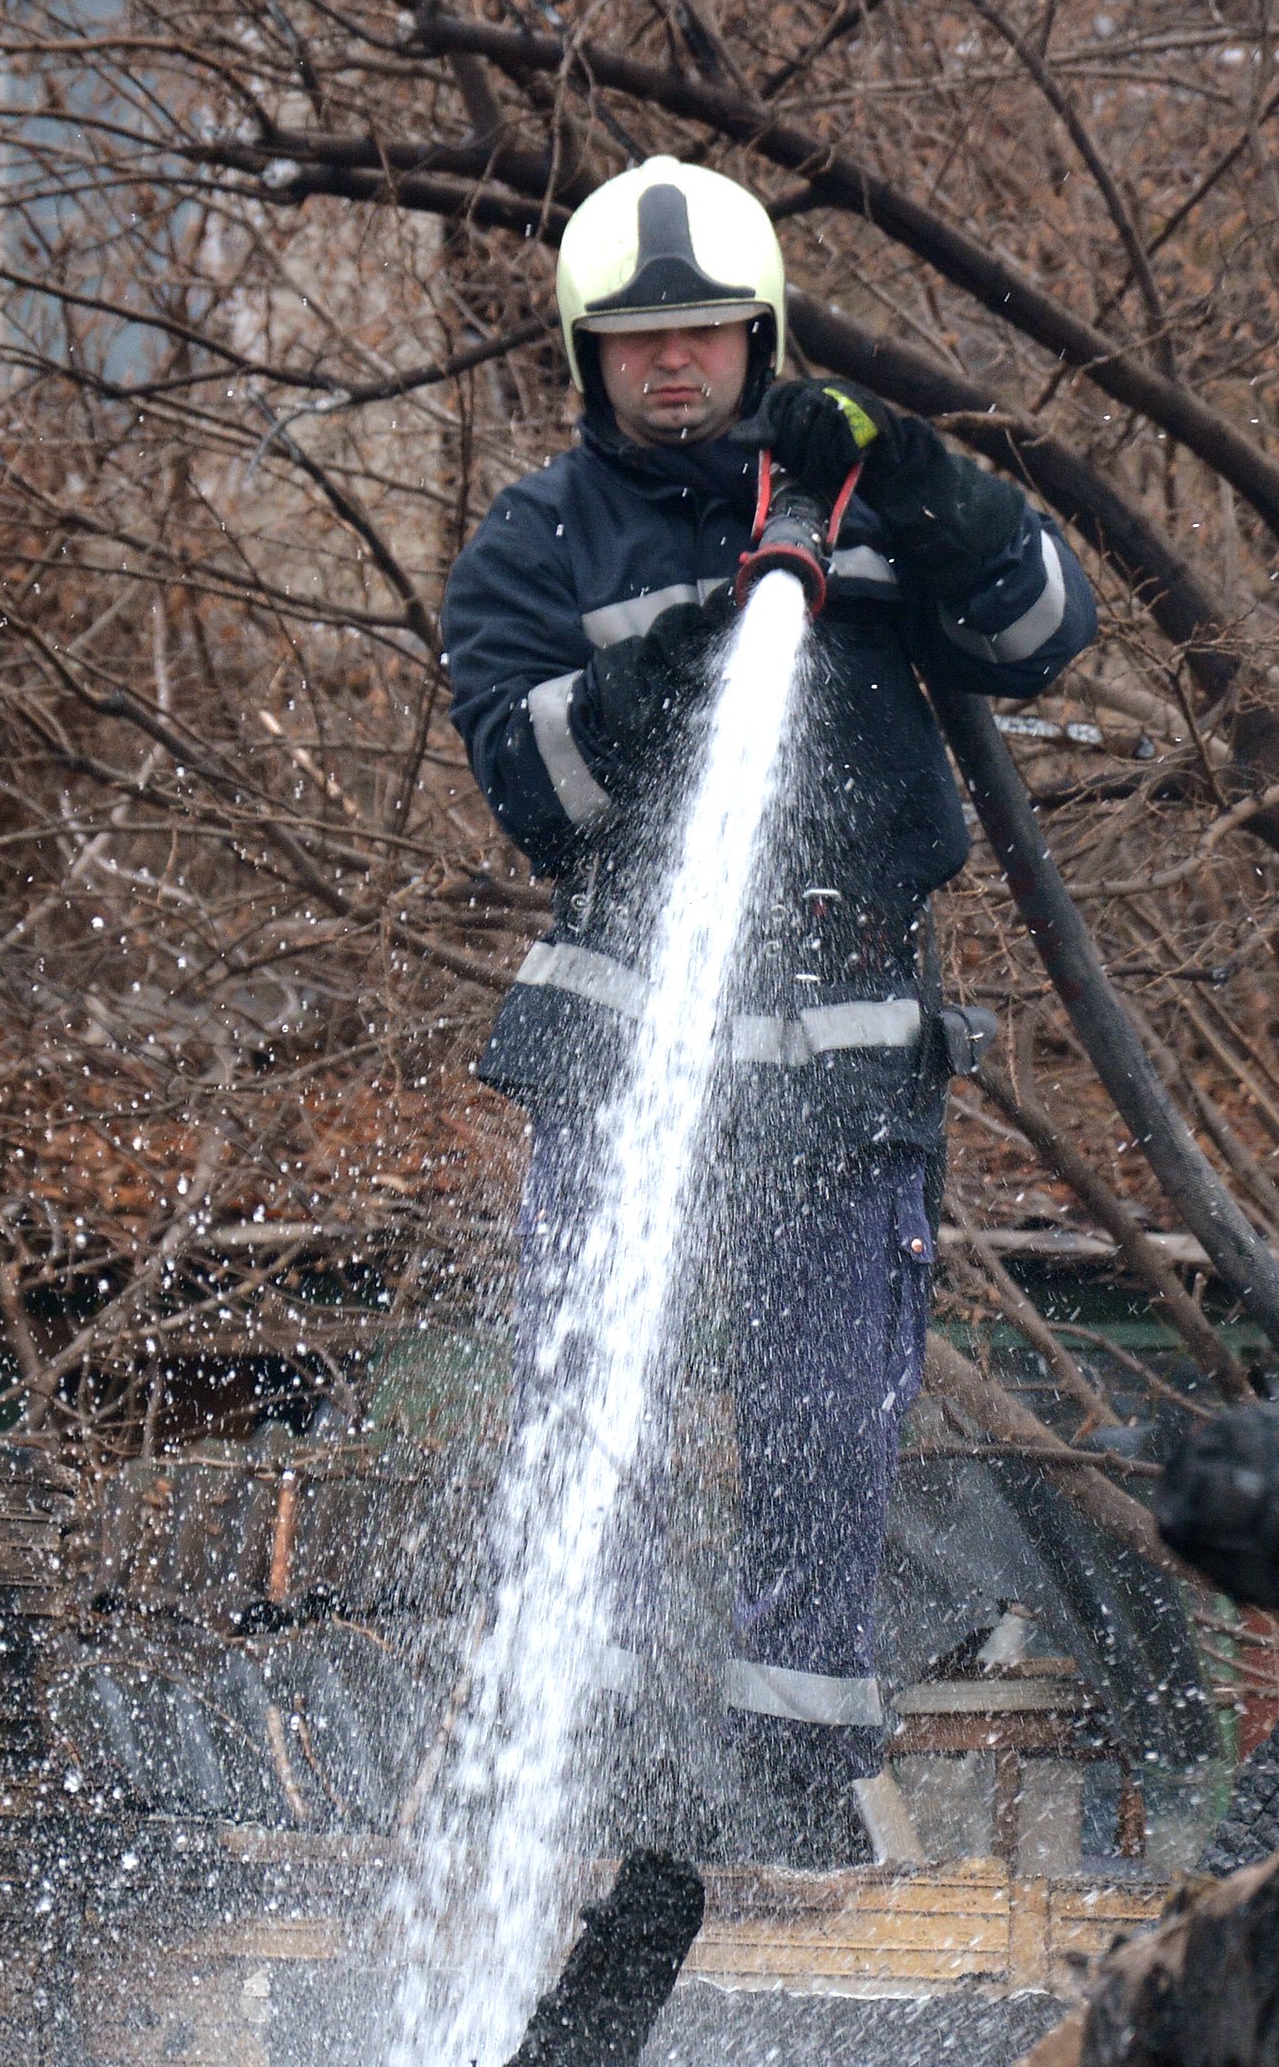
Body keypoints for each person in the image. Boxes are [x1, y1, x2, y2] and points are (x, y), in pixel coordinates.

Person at [440, 157, 1097, 1862]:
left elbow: (1041, 629)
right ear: (591, 360)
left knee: (827, 1412)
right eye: (639, 345)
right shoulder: (540, 539)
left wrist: (923, 483)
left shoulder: (865, 499)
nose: (674, 369)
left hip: (849, 1031)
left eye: (706, 340)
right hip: (630, 1022)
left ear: (762, 337)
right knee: (603, 1391)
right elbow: (536, 788)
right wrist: (691, 652)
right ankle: (589, 1758)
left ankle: (795, 1787)